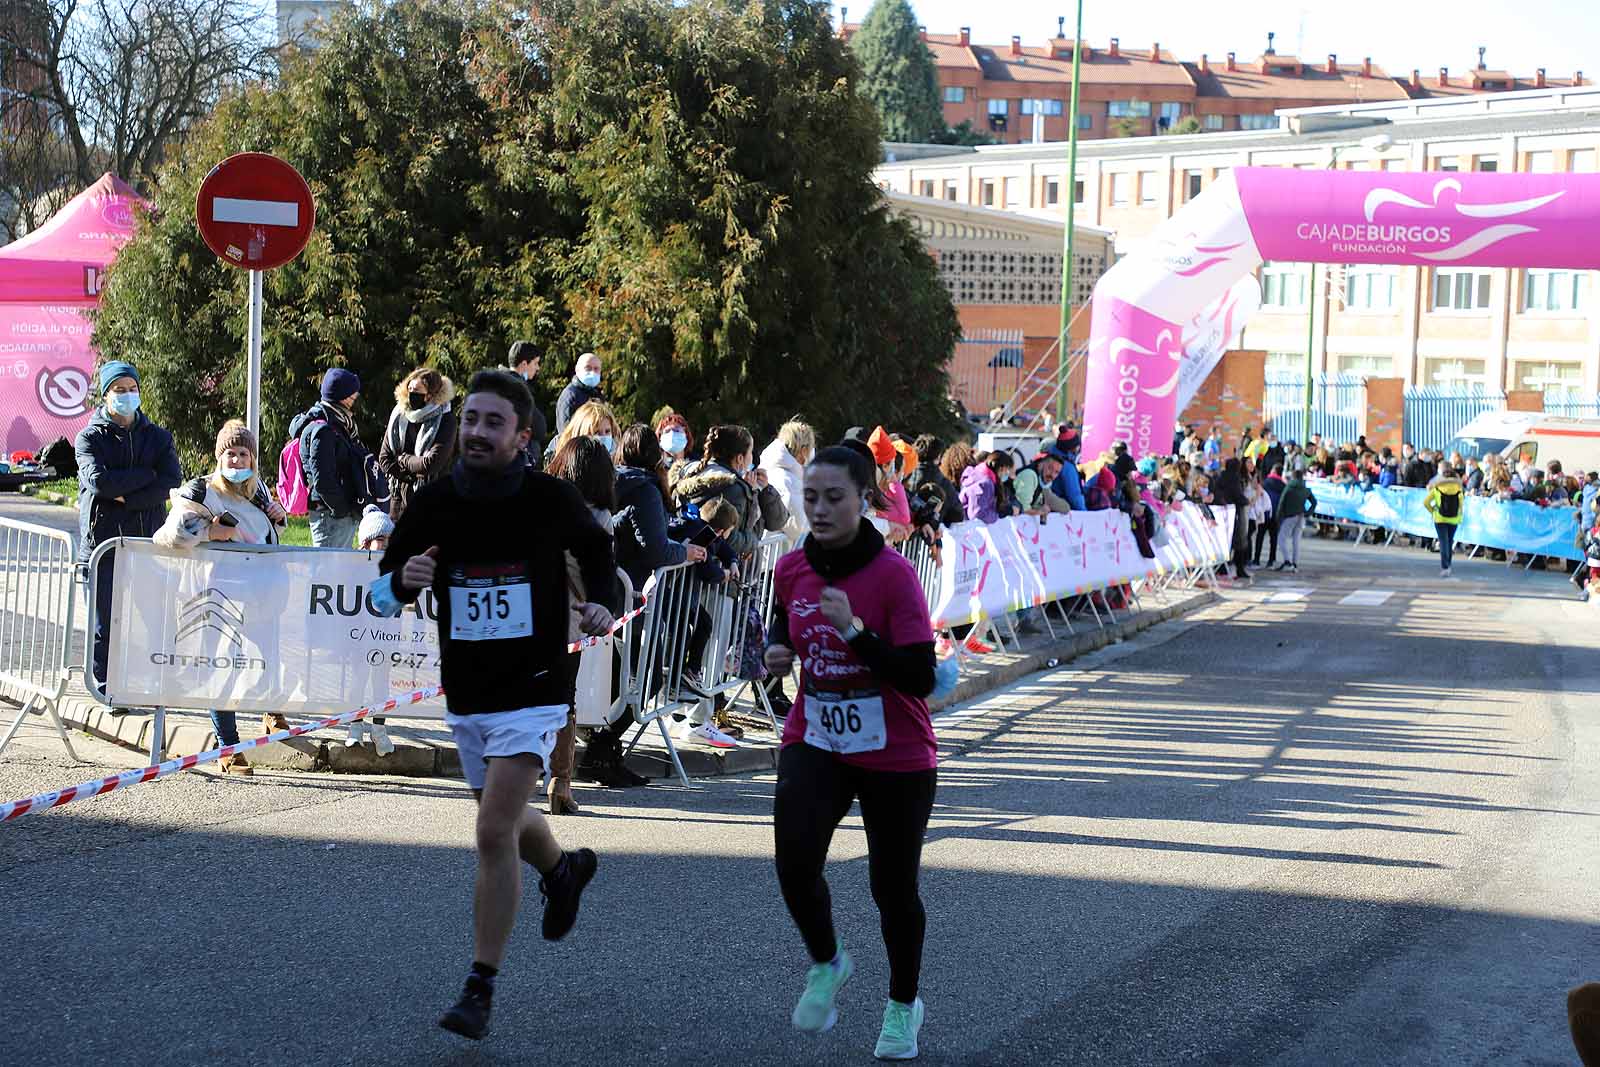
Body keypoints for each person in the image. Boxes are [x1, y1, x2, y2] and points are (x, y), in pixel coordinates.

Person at [378, 369, 618, 1041]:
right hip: (471, 691)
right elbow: (382, 588)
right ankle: (563, 868)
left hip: (537, 687)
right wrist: (402, 579)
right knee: (506, 822)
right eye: (472, 419)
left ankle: (479, 985)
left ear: (522, 436)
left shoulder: (549, 498)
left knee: (489, 830)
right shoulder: (434, 503)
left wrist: (601, 600)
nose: (478, 431)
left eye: (493, 422)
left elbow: (599, 551)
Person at [764, 445, 938, 1062]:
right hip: (817, 735)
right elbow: (781, 625)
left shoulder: (892, 575)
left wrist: (857, 633)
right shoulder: (791, 569)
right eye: (810, 497)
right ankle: (827, 962)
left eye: (834, 497)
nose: (819, 508)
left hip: (896, 749)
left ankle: (901, 1006)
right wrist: (776, 652)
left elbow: (920, 674)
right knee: (794, 860)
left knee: (892, 888)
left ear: (864, 499)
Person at [152, 419, 286, 770]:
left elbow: (266, 538)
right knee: (222, 670)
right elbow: (167, 537)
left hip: (259, 593)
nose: (237, 460)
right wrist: (209, 531)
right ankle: (228, 748)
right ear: (219, 456)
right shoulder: (199, 491)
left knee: (268, 659)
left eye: (244, 453)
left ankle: (272, 712)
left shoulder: (259, 492)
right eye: (231, 453)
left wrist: (278, 518)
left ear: (253, 460)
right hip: (216, 599)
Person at [75, 360, 182, 710]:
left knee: (154, 620)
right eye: (118, 390)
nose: (126, 395)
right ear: (105, 395)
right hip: (104, 544)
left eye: (131, 388)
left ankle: (152, 687)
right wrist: (146, 475)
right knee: (107, 621)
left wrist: (127, 495)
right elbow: (99, 482)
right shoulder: (89, 437)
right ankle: (108, 688)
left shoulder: (159, 437)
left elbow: (170, 484)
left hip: (149, 542)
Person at [548, 435, 621, 814]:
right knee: (563, 697)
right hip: (570, 623)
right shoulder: (600, 521)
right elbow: (603, 576)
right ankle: (560, 782)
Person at [672, 425, 789, 559]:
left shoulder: (693, 471)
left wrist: (760, 490)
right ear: (740, 458)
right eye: (750, 452)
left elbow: (777, 520)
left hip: (682, 563)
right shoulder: (735, 489)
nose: (752, 458)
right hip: (718, 573)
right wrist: (753, 542)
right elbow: (730, 538)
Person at [289, 368, 370, 548]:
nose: (355, 397)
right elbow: (322, 478)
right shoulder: (323, 430)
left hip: (334, 511)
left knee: (336, 570)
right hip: (330, 514)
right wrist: (342, 510)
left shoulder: (338, 422)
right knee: (326, 571)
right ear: (341, 396)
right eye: (352, 394)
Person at [347, 505, 397, 755]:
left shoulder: (395, 569)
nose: (386, 544)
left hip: (386, 638)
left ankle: (379, 730)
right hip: (359, 639)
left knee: (381, 685)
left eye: (390, 539)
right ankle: (355, 727)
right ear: (365, 543)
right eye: (380, 539)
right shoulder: (354, 569)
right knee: (357, 681)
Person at [378, 367, 457, 521]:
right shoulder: (398, 416)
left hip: (430, 502)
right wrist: (412, 471)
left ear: (429, 395)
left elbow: (431, 464)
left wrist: (402, 459)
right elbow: (384, 459)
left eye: (417, 391)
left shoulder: (446, 420)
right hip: (397, 502)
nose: (411, 395)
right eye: (410, 389)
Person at [760, 419, 816, 545]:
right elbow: (798, 527)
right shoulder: (788, 480)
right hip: (777, 557)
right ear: (803, 450)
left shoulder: (770, 468)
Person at [508, 340, 551, 458]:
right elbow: (537, 426)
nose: (537, 368)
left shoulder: (510, 385)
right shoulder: (517, 389)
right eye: (535, 363)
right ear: (524, 364)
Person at [1211, 457, 1251, 580]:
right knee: (1239, 541)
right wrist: (1246, 501)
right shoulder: (1234, 478)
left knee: (1223, 540)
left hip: (1221, 511)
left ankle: (1221, 567)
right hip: (1234, 512)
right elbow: (1238, 495)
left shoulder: (1220, 477)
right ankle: (1240, 569)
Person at [1423, 464, 1465, 577]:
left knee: (1443, 542)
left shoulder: (1437, 489)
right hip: (1454, 519)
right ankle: (1449, 565)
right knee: (1449, 541)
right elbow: (1461, 505)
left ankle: (1445, 566)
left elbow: (1426, 502)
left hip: (1440, 518)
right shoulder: (1459, 490)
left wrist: (1433, 511)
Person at [1274, 470, 1317, 574]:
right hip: (1301, 515)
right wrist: (1307, 513)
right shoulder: (1306, 489)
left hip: (1290, 515)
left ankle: (1287, 561)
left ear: (1293, 477)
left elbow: (1281, 502)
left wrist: (1278, 517)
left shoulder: (1289, 487)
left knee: (1281, 538)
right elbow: (1314, 502)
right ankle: (1295, 564)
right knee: (1296, 540)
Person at [555, 352, 604, 433]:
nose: (592, 372)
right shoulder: (570, 395)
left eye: (596, 369)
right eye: (588, 368)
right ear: (577, 369)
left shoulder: (597, 395)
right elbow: (565, 431)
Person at [959, 450, 1011, 524]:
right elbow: (977, 514)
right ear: (1001, 468)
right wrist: (996, 516)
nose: (1007, 473)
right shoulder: (985, 483)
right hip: (970, 529)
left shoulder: (976, 475)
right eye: (1007, 469)